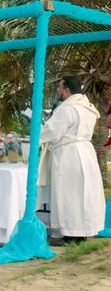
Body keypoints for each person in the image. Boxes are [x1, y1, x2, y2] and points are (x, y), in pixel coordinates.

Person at [38, 76, 105, 245]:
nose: (58, 91)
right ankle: (82, 231)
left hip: (69, 154)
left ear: (67, 90)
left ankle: (70, 234)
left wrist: (35, 136)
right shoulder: (88, 108)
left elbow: (52, 132)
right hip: (86, 152)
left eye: (60, 87)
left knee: (69, 194)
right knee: (83, 194)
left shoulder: (66, 109)